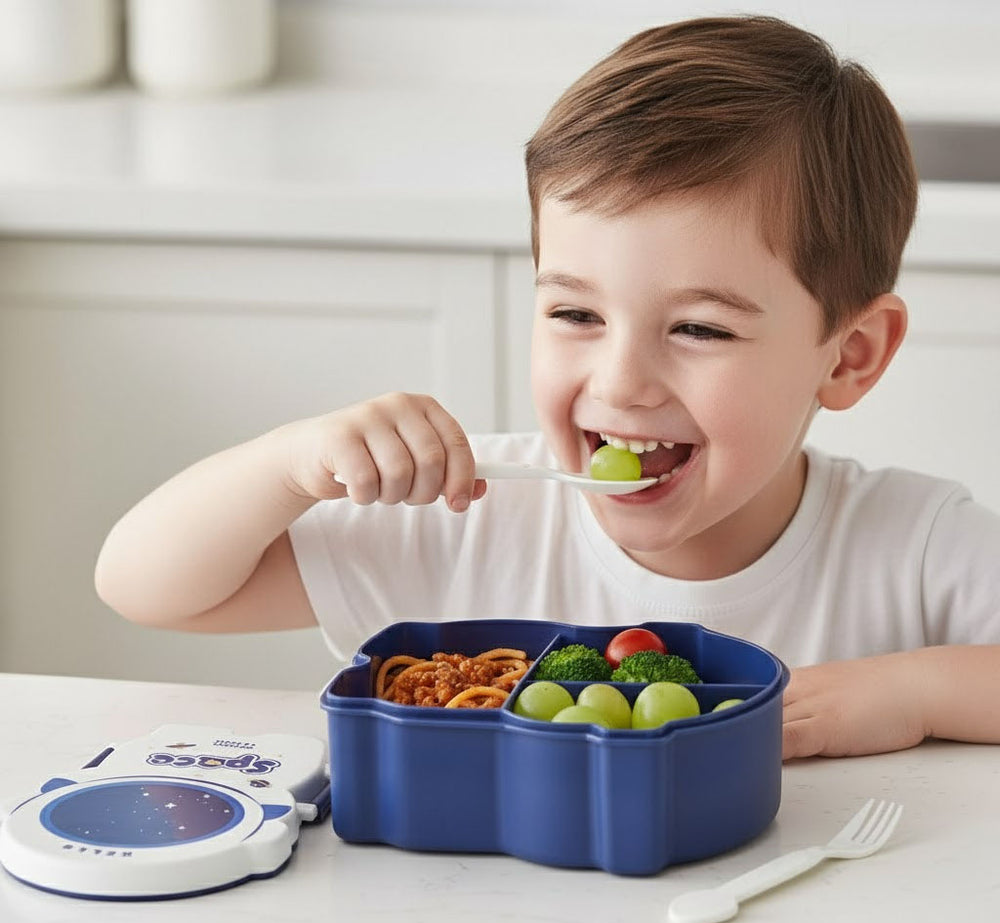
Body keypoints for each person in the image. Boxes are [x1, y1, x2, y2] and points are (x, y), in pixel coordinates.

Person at [95, 15, 1000, 760]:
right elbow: (148, 586)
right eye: (576, 315)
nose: (621, 380)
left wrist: (914, 689)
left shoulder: (913, 548)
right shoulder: (471, 513)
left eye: (699, 329)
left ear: (848, 357)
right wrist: (290, 465)